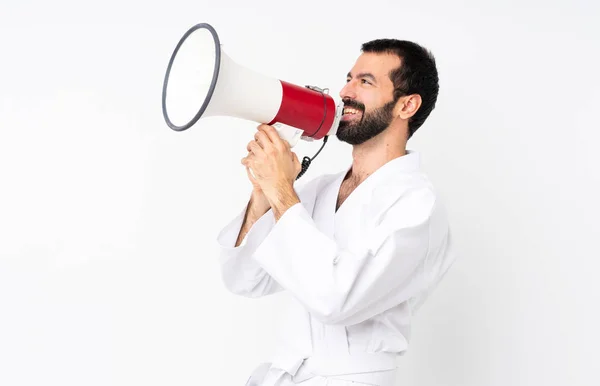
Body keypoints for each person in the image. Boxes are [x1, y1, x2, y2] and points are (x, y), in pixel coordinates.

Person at [216, 38, 457, 386]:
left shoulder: (417, 205)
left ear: (407, 105)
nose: (345, 91)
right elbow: (244, 279)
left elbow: (336, 301)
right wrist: (263, 193)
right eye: (349, 77)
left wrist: (283, 192)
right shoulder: (321, 190)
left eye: (365, 81)